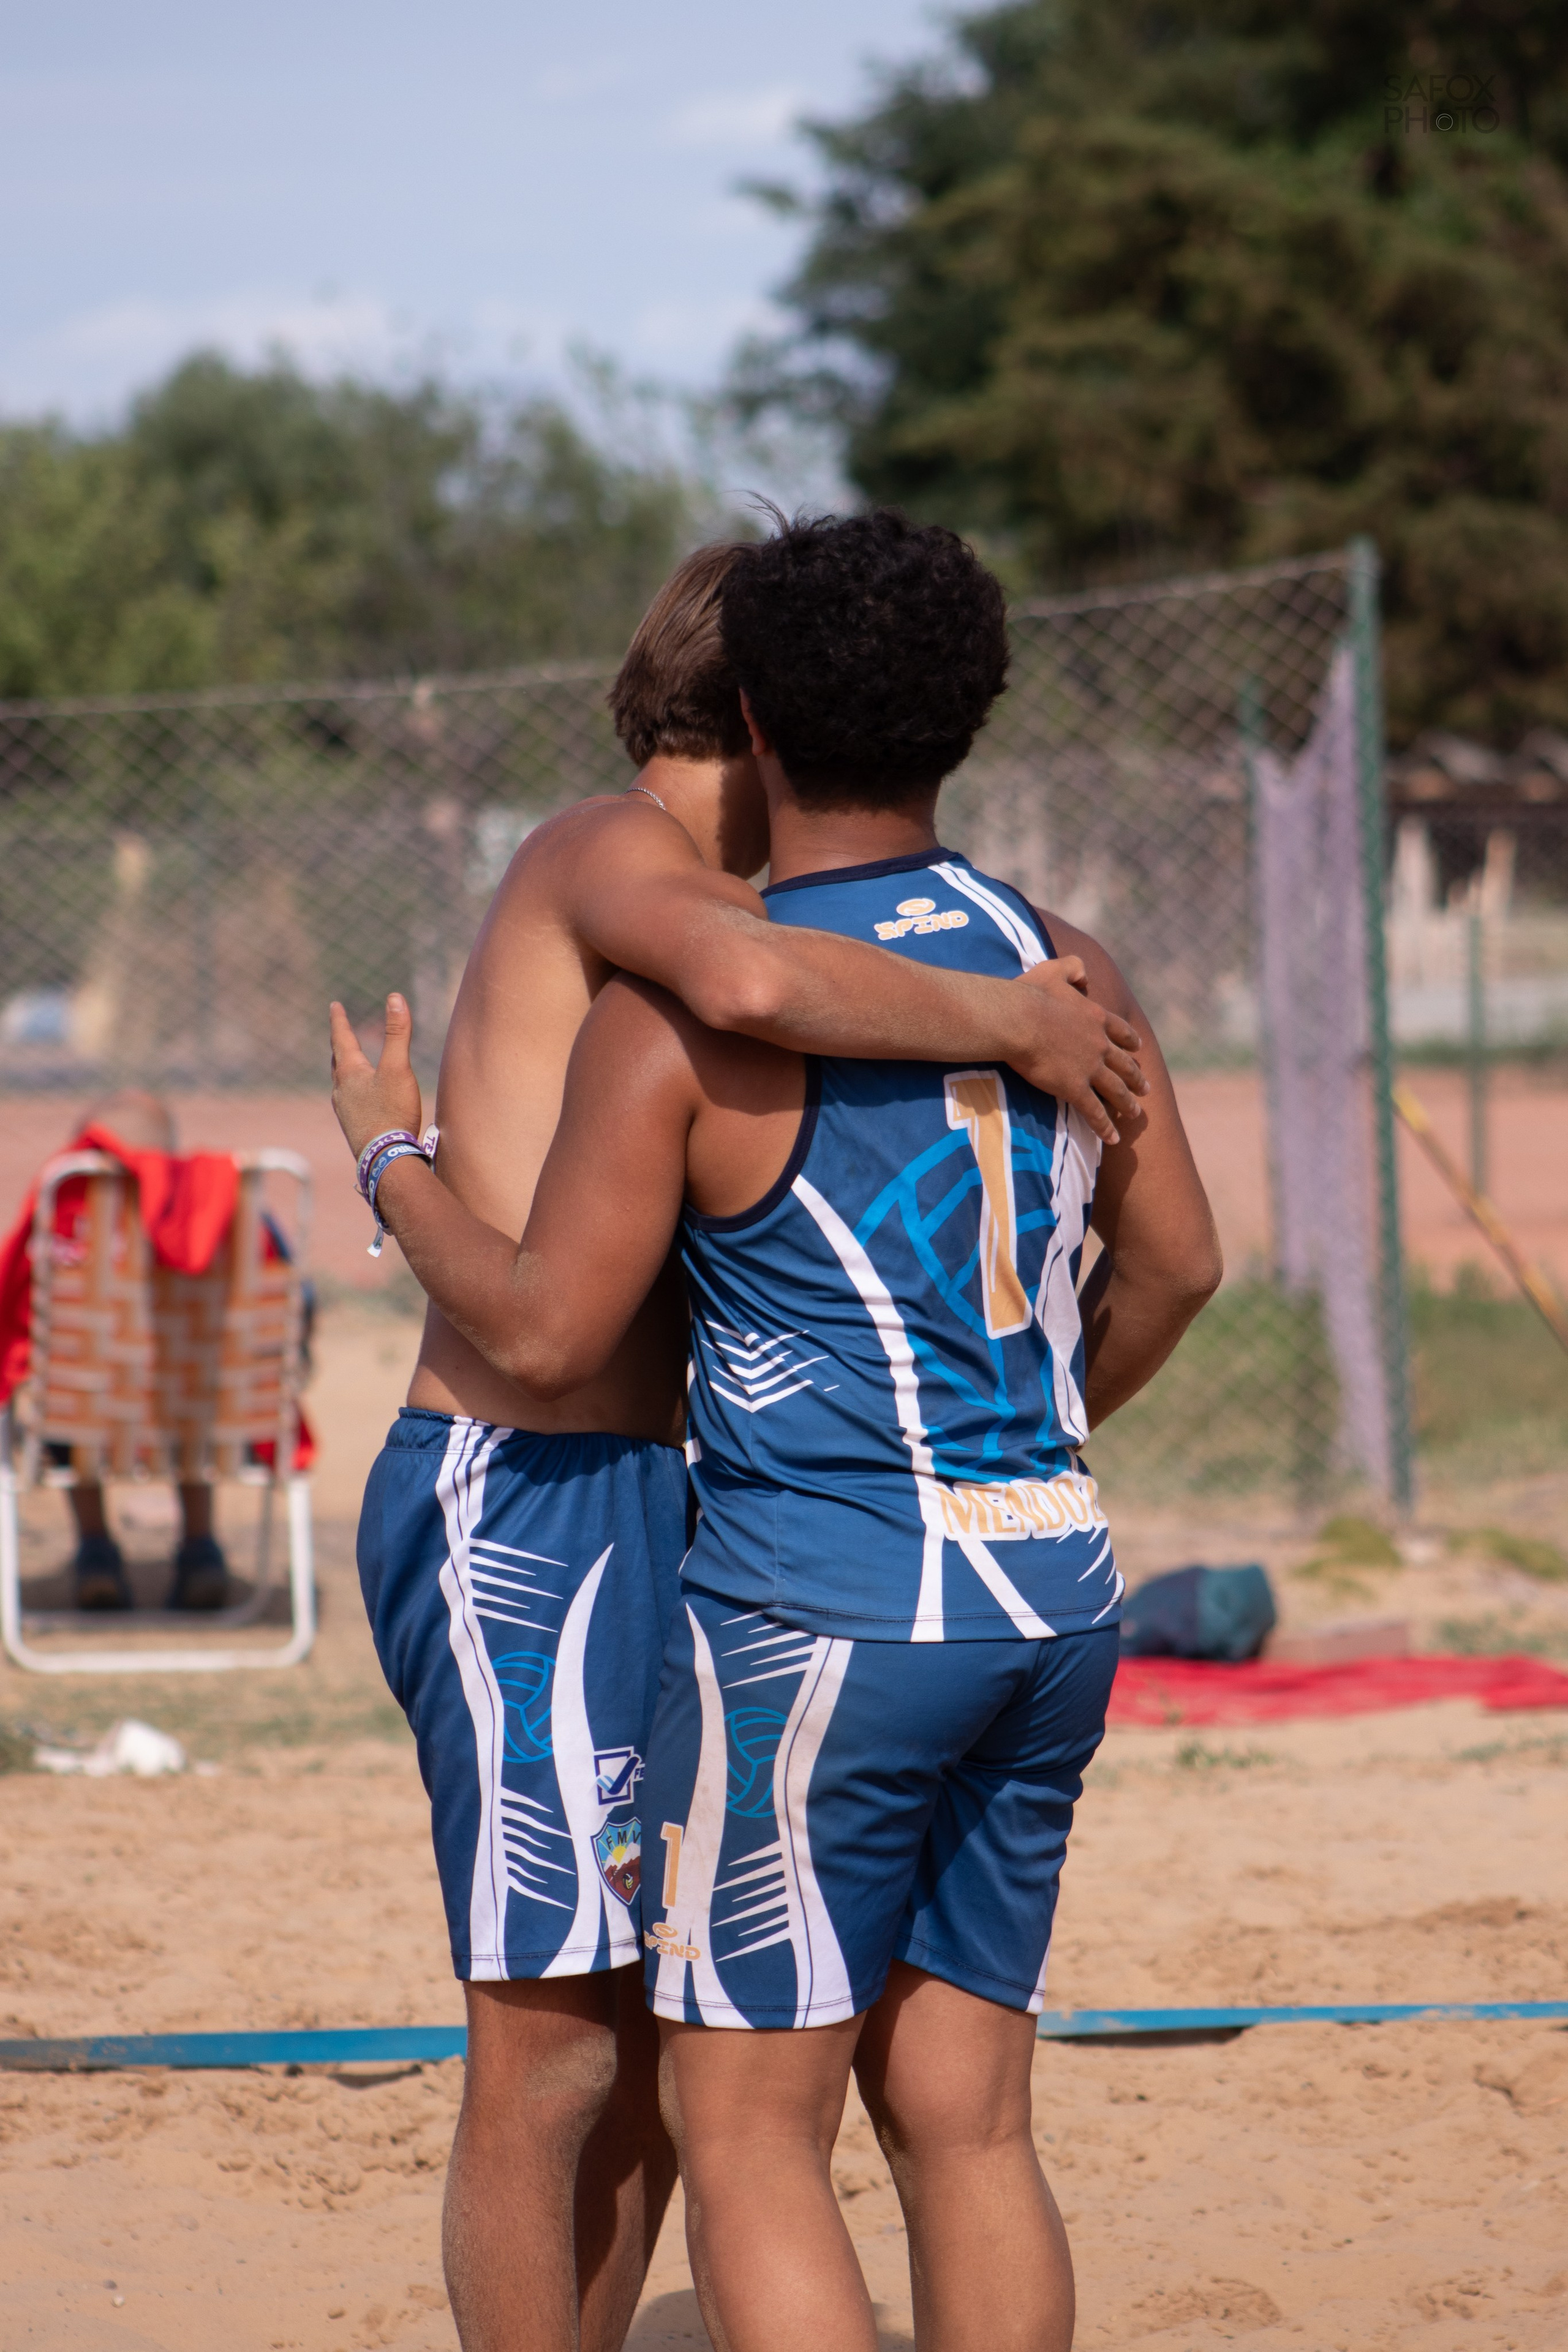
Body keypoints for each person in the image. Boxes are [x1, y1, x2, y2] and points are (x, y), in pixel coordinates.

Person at [332, 511, 1221, 2352]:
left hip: (745, 1526)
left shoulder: (763, 950)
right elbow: (1169, 1253)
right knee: (570, 2047)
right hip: (533, 1495)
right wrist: (394, 1159)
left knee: (702, 2066)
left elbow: (755, 1022)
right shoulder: (641, 871)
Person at [0, 1088, 233, 1611]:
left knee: (68, 1382)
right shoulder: (224, 1210)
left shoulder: (58, 1216)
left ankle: (96, 1552)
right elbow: (290, 1304)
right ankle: (201, 1549)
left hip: (84, 1420)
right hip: (198, 1415)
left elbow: (13, 1317)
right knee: (195, 1378)